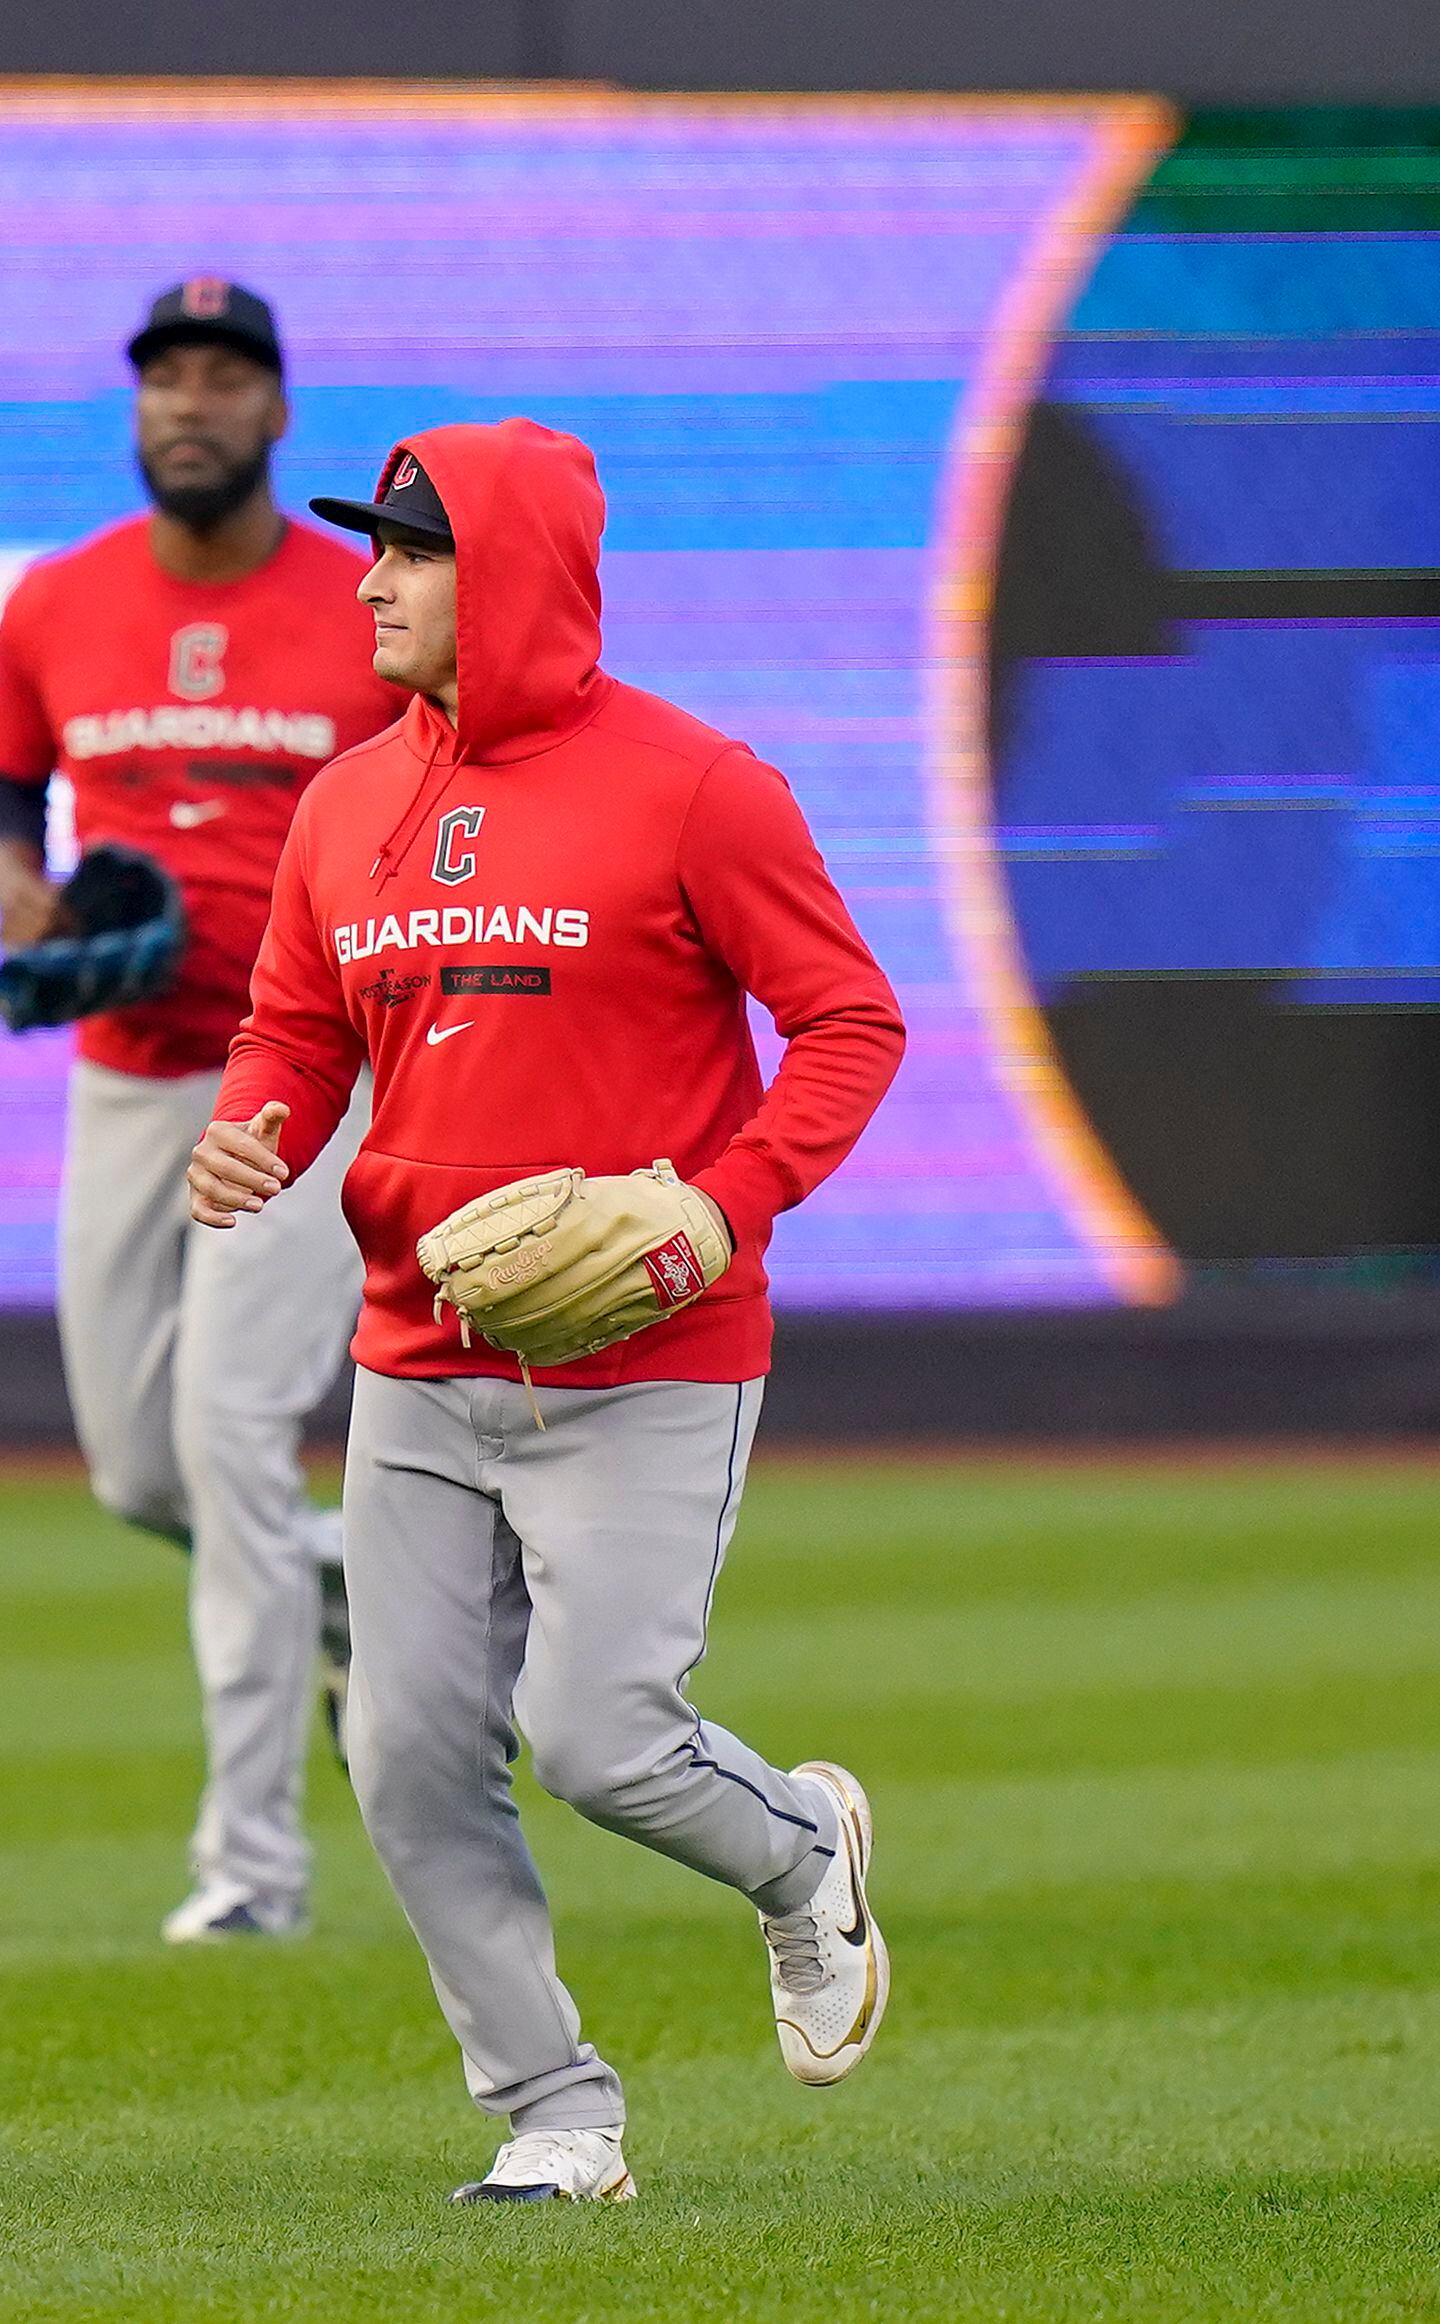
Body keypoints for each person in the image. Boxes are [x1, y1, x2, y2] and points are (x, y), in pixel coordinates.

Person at [188, 423, 907, 2205]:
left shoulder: (693, 785)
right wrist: (252, 1128)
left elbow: (850, 1025)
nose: (366, 581)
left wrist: (716, 1212)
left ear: (498, 575)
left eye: (408, 555)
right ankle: (554, 2116)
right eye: (369, 552)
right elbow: (297, 1027)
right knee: (407, 1758)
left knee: (598, 1735)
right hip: (417, 1357)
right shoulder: (347, 800)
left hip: (643, 1357)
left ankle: (801, 1851)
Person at [0, 279, 397, 1943]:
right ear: (135, 408)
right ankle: (385, 1595)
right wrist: (19, 890)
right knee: (138, 1470)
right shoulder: (60, 600)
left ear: (277, 412)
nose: (191, 402)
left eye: (225, 377)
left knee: (225, 1441)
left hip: (302, 1080)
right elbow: (1, 791)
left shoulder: (358, 605)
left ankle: (250, 1874)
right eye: (165, 377)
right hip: (130, 1074)